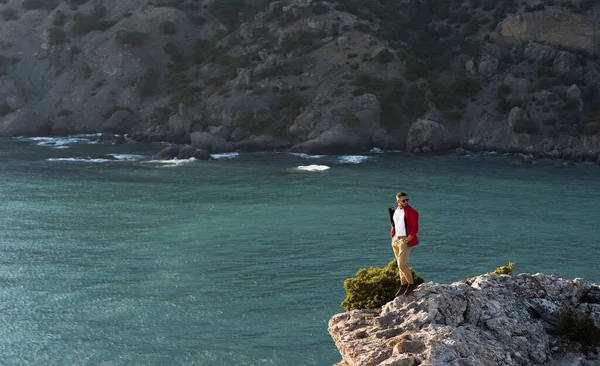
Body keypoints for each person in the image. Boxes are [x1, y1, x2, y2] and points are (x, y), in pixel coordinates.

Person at [388, 192, 419, 296]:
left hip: (405, 240)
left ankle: (411, 284)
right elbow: (393, 224)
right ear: (398, 201)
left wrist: (407, 240)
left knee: (402, 264)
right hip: (395, 239)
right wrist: (393, 236)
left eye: (407, 200)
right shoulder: (394, 211)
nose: (405, 202)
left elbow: (415, 228)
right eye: (403, 200)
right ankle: (403, 284)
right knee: (398, 264)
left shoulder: (412, 212)